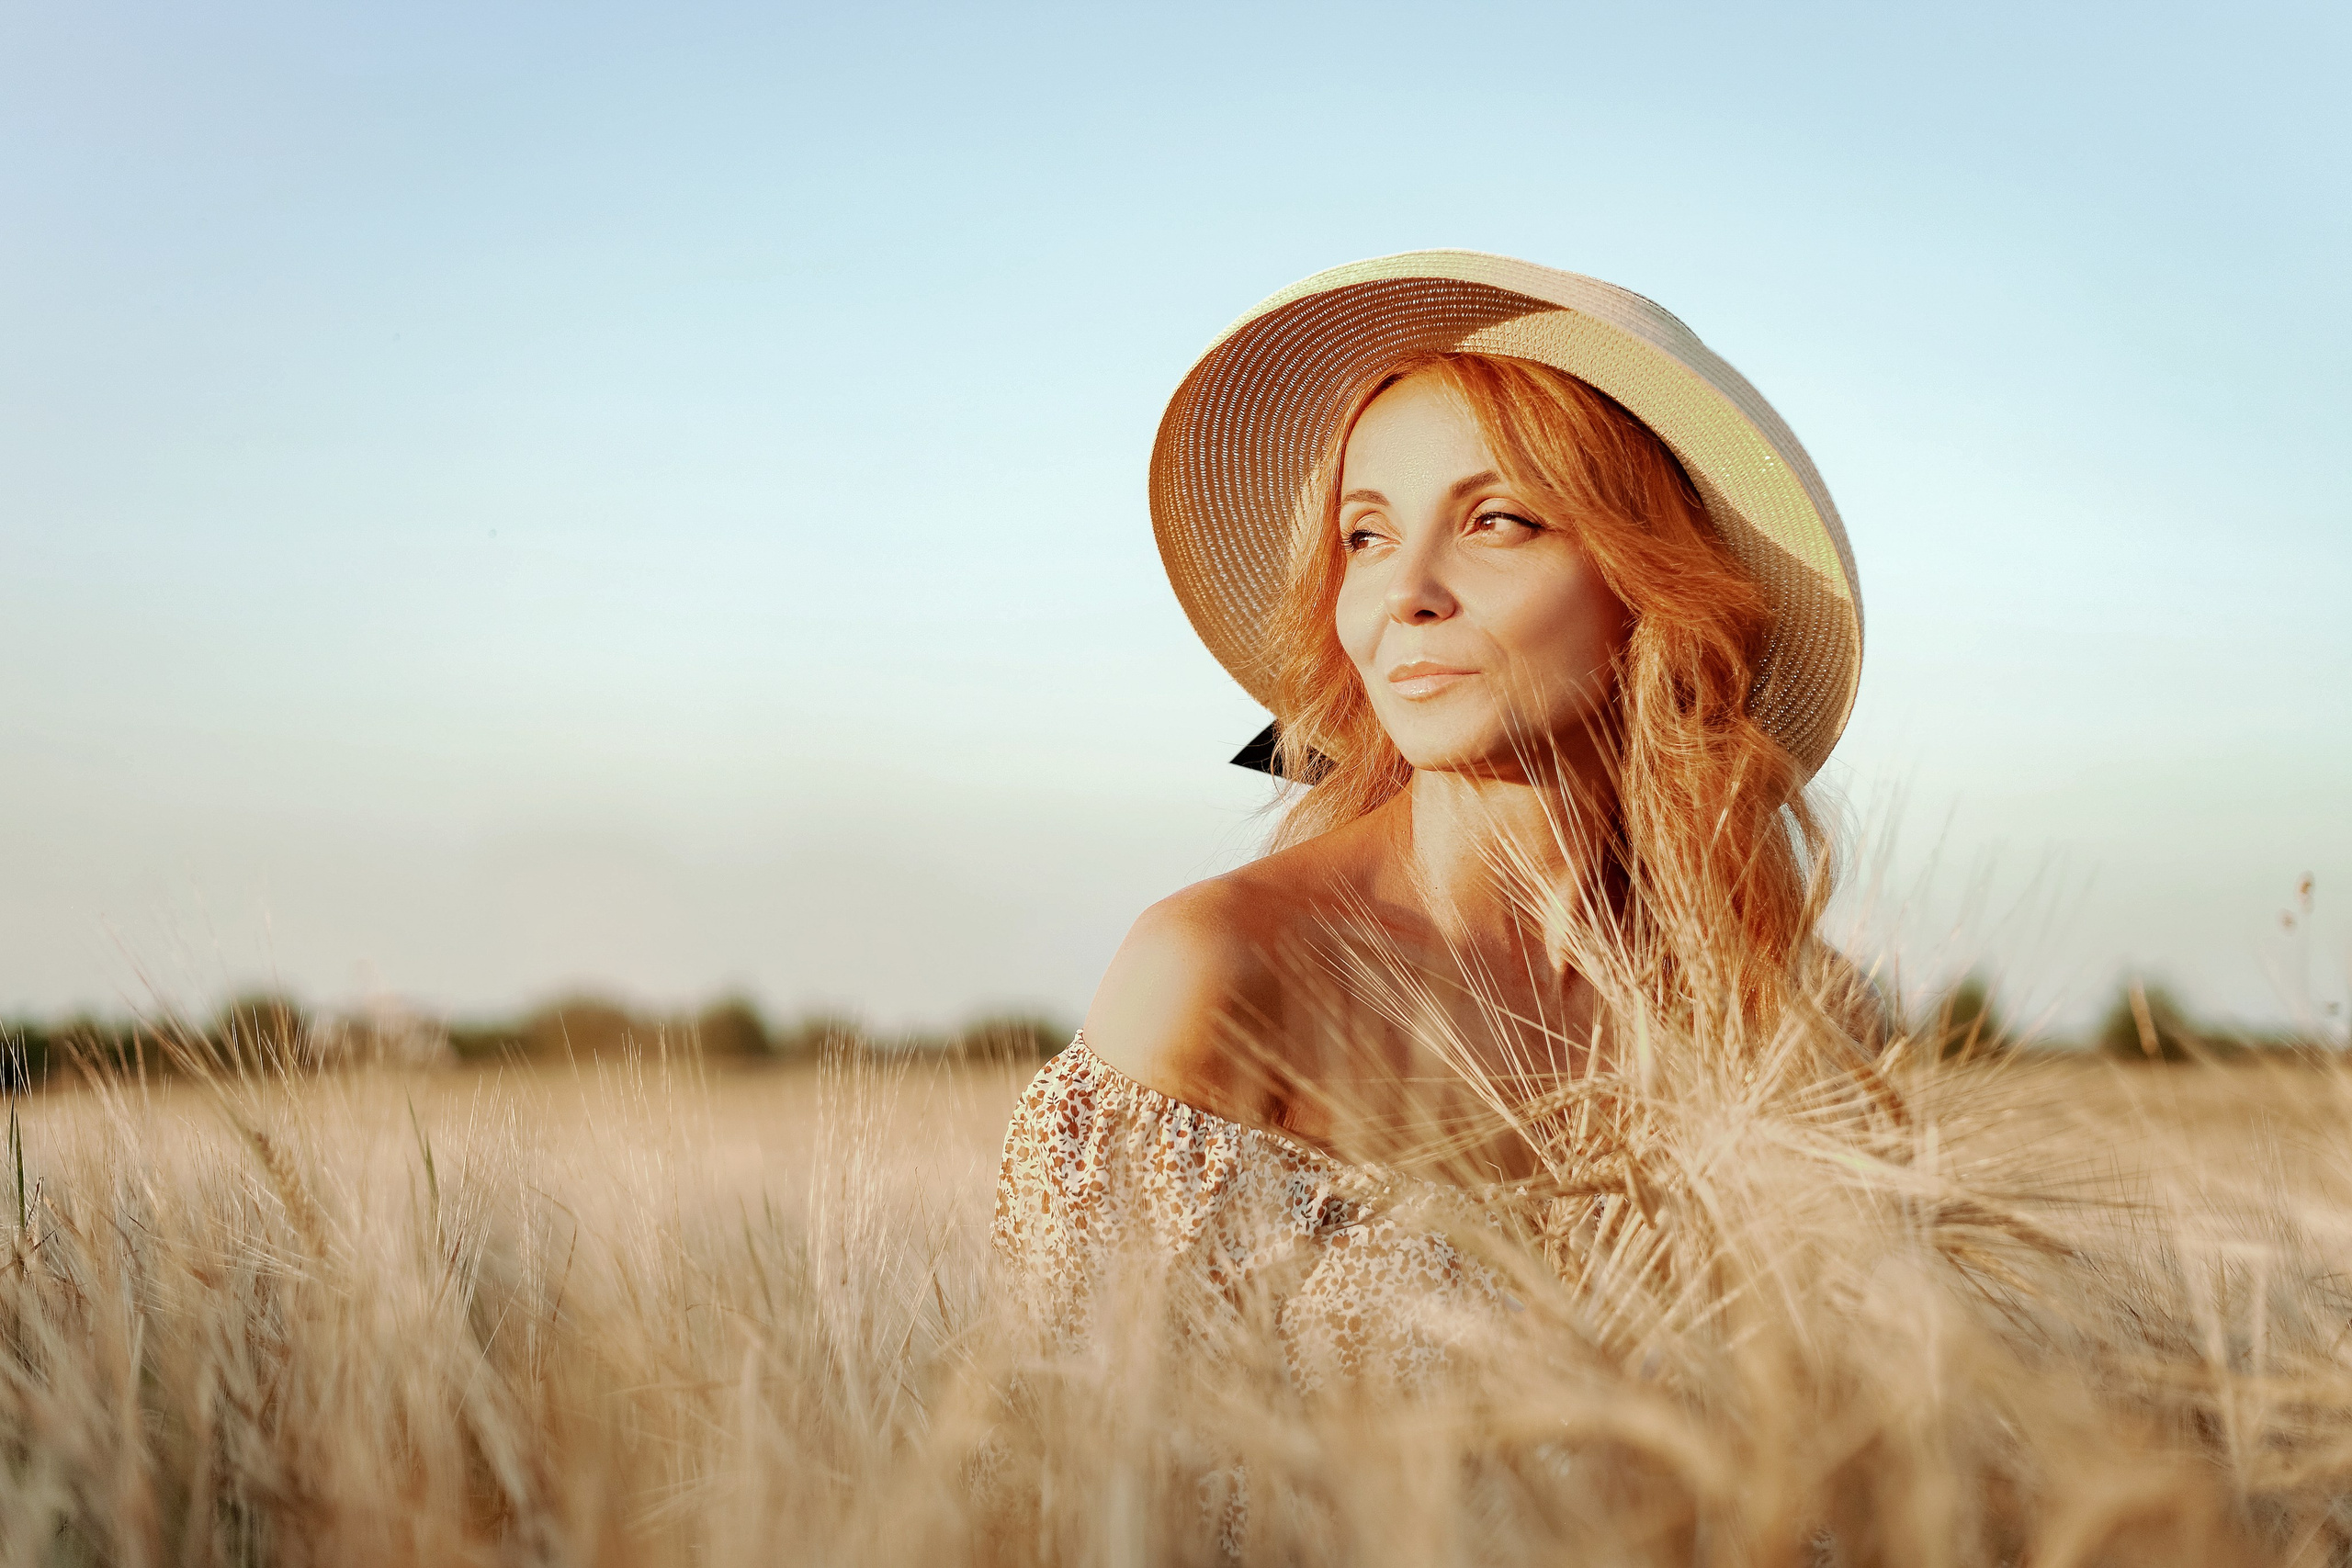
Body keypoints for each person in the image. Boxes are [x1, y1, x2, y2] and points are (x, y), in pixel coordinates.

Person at [991, 253, 1879, 1390]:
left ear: (1647, 583)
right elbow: (1067, 1465)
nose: (1404, 591)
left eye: (1496, 521)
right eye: (1365, 536)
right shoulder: (1220, 973)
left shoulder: (1785, 1014)